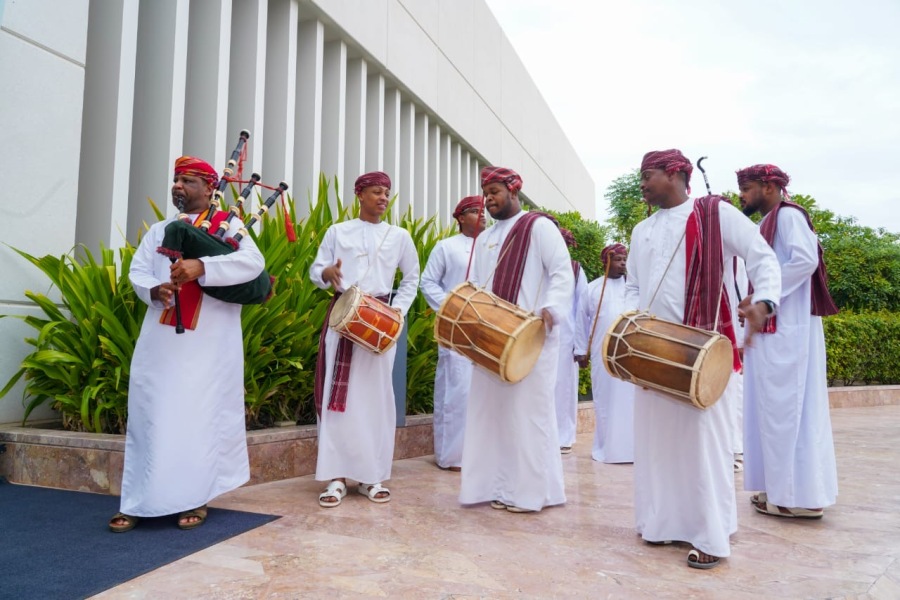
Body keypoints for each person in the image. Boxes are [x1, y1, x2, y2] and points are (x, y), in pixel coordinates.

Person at [625, 149, 781, 569]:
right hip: (655, 351)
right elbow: (633, 287)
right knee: (658, 442)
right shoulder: (641, 230)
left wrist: (764, 300)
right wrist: (633, 331)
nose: (641, 183)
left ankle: (711, 535)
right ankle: (662, 524)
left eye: (648, 174)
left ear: (676, 174)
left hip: (706, 351)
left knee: (706, 445)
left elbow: (761, 256)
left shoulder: (716, 214)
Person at [109, 156, 266, 532]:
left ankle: (195, 497)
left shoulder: (229, 228)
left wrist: (203, 267)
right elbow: (139, 272)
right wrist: (153, 289)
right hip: (161, 340)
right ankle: (137, 500)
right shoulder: (160, 230)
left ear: (210, 189)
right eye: (176, 180)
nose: (178, 186)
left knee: (198, 416)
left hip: (210, 343)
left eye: (188, 181)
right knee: (152, 414)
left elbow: (253, 265)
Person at [458, 166, 574, 513]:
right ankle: (496, 485)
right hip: (493, 338)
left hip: (530, 338)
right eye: (485, 192)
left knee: (528, 414)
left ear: (514, 191)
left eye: (494, 191)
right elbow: (479, 286)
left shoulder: (539, 226)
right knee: (491, 414)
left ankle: (530, 492)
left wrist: (552, 307)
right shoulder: (487, 237)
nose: (488, 198)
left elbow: (560, 272)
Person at [309, 171, 420, 507]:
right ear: (360, 195)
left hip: (380, 322)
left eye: (386, 192)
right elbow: (317, 270)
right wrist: (326, 274)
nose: (383, 198)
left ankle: (371, 475)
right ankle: (337, 477)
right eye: (376, 192)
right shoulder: (337, 232)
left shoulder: (399, 236)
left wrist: (397, 312)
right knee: (337, 396)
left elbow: (412, 277)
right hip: (343, 319)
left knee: (376, 397)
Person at [736, 163, 839, 519]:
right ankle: (782, 490)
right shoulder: (766, 223)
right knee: (774, 410)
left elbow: (805, 260)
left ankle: (800, 498)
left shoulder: (789, 216)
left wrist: (765, 296)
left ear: (768, 186)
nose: (741, 195)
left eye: (746, 187)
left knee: (790, 409)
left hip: (790, 327)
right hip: (776, 328)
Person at [420, 195, 486, 471]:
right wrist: (452, 308)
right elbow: (427, 282)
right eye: (475, 211)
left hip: (487, 328)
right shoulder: (446, 247)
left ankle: (482, 454)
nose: (483, 216)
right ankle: (452, 456)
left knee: (484, 392)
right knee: (456, 391)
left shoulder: (492, 245)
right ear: (460, 218)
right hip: (455, 327)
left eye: (484, 211)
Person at [574, 243, 635, 463]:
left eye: (625, 259)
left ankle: (632, 449)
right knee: (605, 400)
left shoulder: (633, 288)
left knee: (630, 401)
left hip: (630, 353)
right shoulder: (592, 289)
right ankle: (606, 448)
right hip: (602, 354)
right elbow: (581, 321)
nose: (623, 264)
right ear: (606, 261)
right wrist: (581, 351)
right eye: (618, 260)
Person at [554, 227, 589, 454]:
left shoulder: (575, 269)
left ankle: (563, 438)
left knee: (563, 389)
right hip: (537, 337)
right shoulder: (539, 264)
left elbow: (582, 310)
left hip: (566, 340)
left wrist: (581, 345)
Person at [723, 256, 749, 472]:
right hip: (709, 333)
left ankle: (735, 450)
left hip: (731, 336)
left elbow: (737, 296)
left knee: (735, 394)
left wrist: (739, 340)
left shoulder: (735, 260)